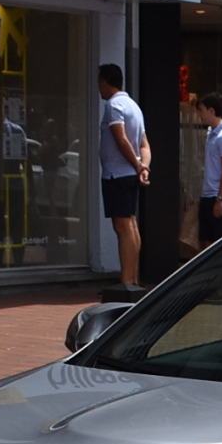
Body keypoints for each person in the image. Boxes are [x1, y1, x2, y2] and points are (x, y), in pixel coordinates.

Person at [96, 64, 149, 291]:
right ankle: (132, 279)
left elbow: (122, 139)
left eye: (99, 82)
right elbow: (144, 144)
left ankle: (127, 281)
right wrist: (144, 167)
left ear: (106, 82)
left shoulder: (114, 105)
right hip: (129, 173)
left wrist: (138, 166)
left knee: (123, 226)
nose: (99, 87)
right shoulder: (134, 107)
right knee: (131, 224)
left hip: (117, 174)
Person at [195, 93, 222, 244]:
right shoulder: (212, 134)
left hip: (218, 196)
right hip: (208, 194)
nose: (199, 114)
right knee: (205, 240)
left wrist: (220, 199)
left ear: (211, 111)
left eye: (201, 110)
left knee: (217, 242)